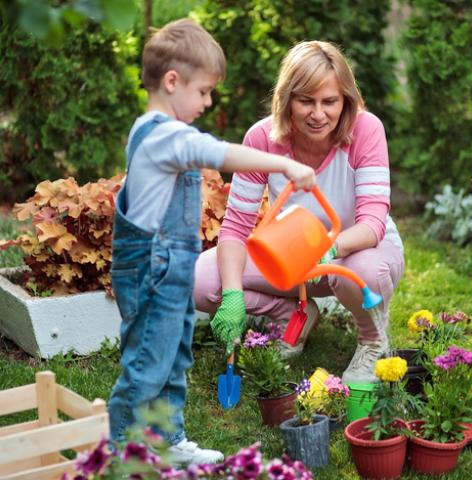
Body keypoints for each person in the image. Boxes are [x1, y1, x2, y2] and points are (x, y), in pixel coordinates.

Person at [107, 19, 316, 465]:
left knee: (175, 356)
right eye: (203, 91)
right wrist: (286, 167)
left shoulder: (164, 132)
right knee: (146, 364)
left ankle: (170, 440)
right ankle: (123, 451)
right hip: (150, 269)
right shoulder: (163, 134)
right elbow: (218, 152)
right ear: (172, 82)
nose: (208, 101)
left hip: (171, 268)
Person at [194, 40, 404, 385]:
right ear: (287, 99)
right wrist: (232, 294)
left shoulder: (366, 130)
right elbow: (235, 228)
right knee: (203, 280)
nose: (318, 114)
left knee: (362, 269)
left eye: (330, 102)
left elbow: (372, 224)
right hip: (291, 257)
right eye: (306, 100)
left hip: (353, 252)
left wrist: (330, 247)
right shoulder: (262, 138)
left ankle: (371, 339)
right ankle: (291, 316)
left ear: (345, 101)